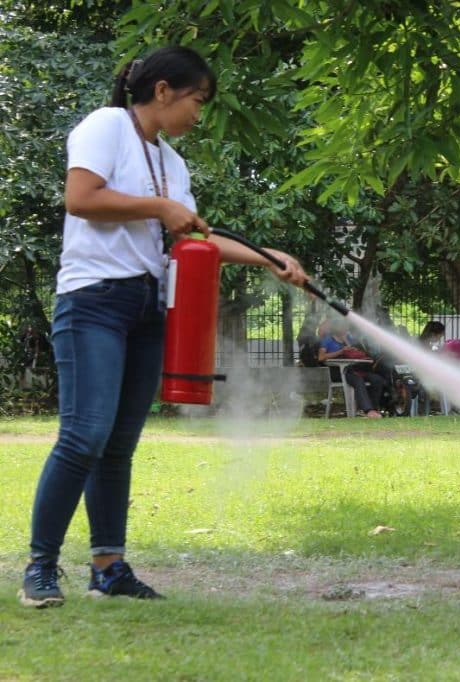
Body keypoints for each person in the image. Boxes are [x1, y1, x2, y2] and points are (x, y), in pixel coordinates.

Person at [18, 46, 309, 609]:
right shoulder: (105, 126)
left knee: (119, 445)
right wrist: (158, 208)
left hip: (150, 309)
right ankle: (40, 567)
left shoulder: (172, 164)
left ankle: (108, 567)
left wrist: (267, 256)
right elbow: (80, 199)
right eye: (197, 101)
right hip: (94, 302)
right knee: (84, 436)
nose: (198, 114)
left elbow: (192, 238)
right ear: (163, 91)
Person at [318, 321, 385, 419]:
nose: (345, 328)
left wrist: (346, 340)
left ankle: (374, 408)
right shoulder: (328, 340)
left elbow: (355, 350)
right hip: (338, 371)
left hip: (354, 369)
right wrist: (341, 351)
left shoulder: (349, 338)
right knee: (358, 380)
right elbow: (321, 357)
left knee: (377, 379)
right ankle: (368, 410)